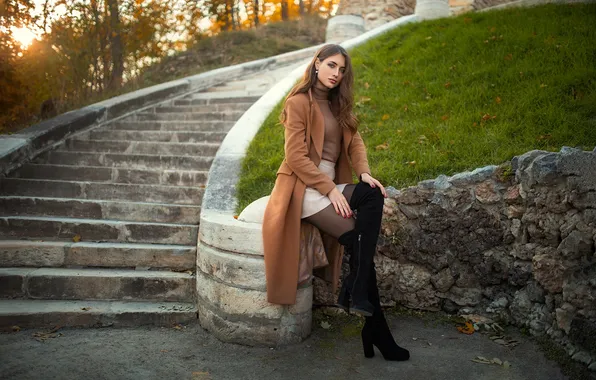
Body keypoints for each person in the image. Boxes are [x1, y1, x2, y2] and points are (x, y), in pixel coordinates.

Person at [262, 44, 409, 361]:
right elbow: (295, 157)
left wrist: (365, 173)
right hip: (303, 188)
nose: (336, 73)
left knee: (370, 197)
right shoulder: (299, 102)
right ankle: (375, 329)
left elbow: (356, 143)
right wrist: (329, 190)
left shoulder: (339, 105)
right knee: (359, 243)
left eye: (341, 70)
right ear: (316, 64)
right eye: (331, 65)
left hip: (331, 184)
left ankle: (356, 296)